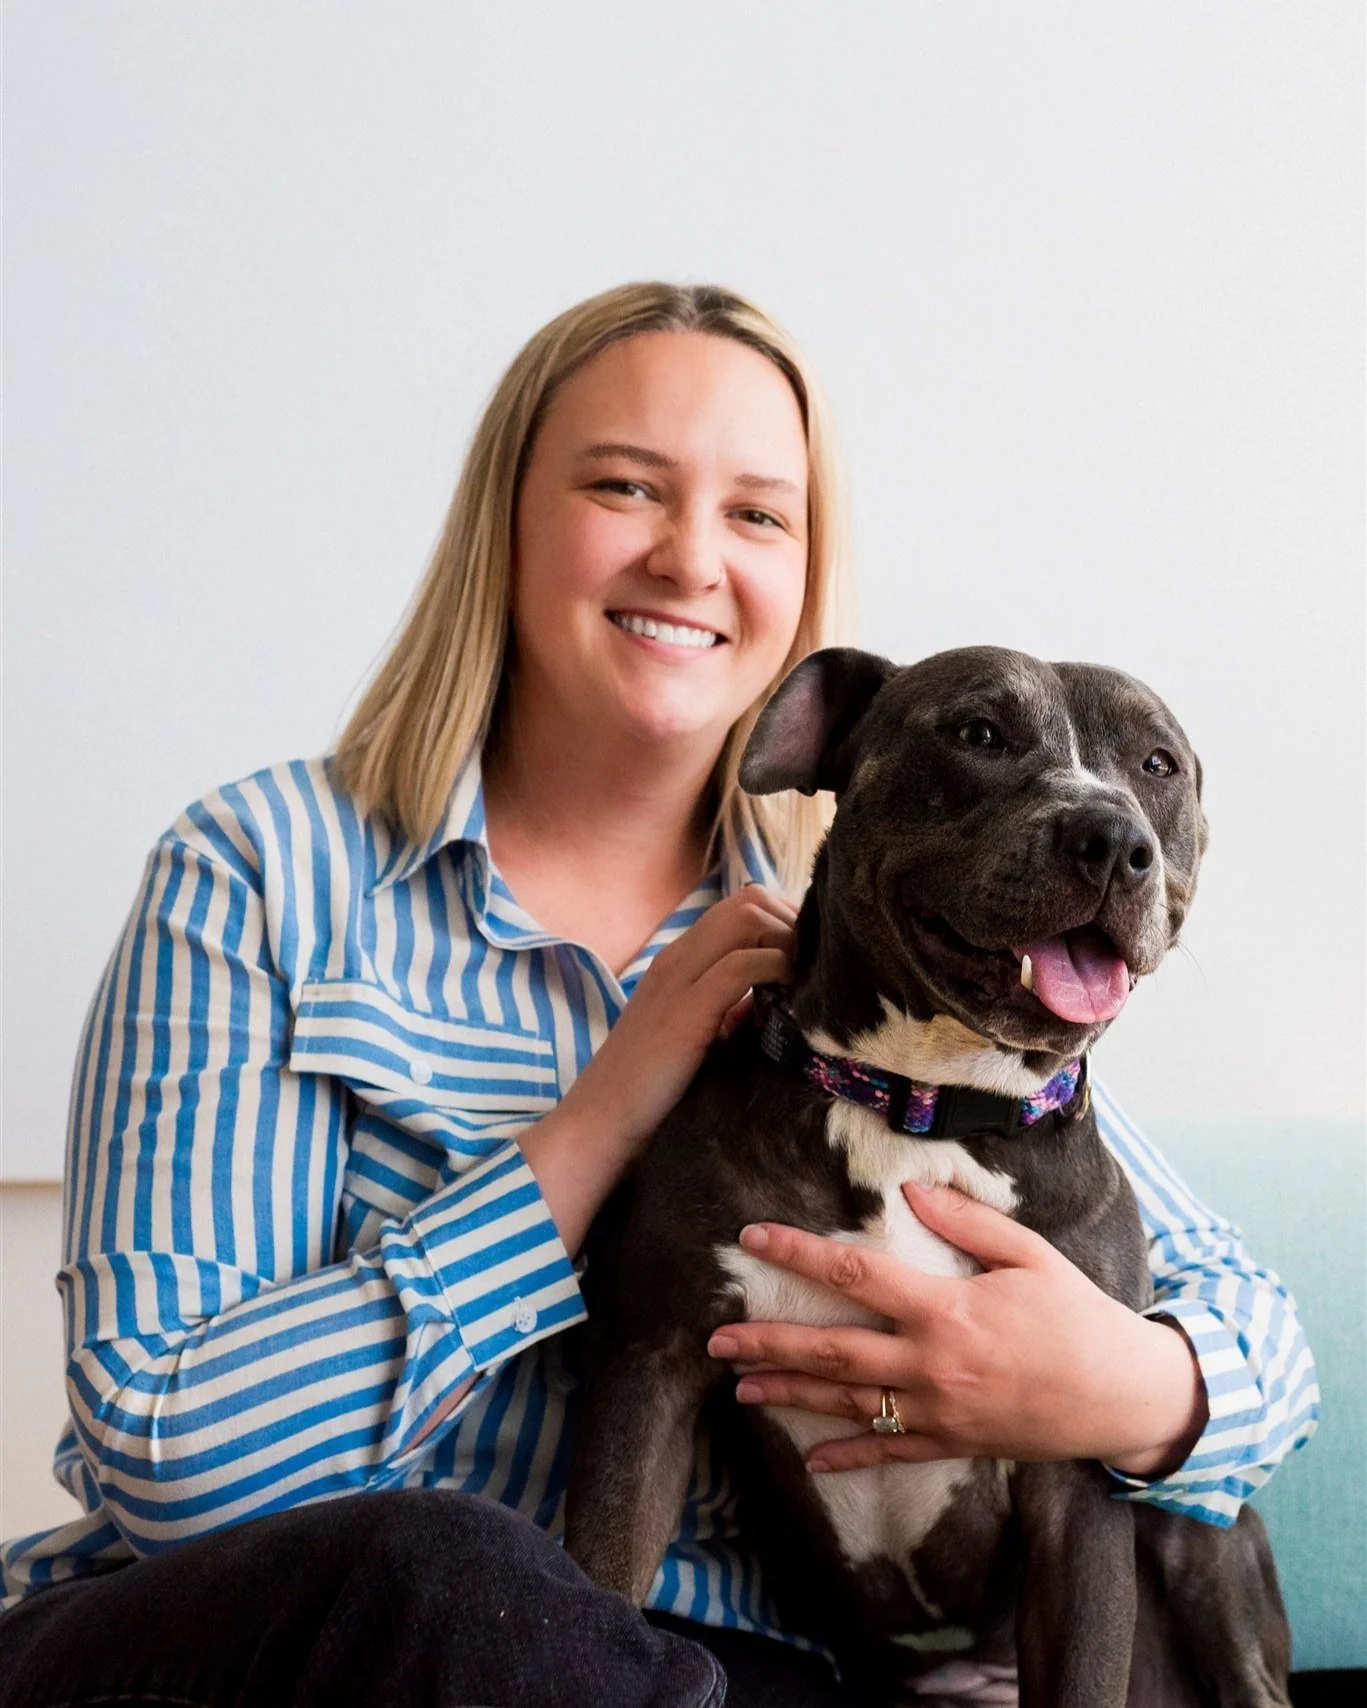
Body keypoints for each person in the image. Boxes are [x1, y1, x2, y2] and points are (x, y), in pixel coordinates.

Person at [0, 283, 1318, 1708]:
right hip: (273, 1639)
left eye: (756, 513)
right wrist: (592, 1131)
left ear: (802, 586)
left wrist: (1125, 1392)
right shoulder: (264, 874)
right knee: (453, 1572)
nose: (691, 558)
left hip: (697, 1672)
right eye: (626, 487)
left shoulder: (894, 978)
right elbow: (170, 1462)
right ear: (505, 519)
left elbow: (1243, 1331)